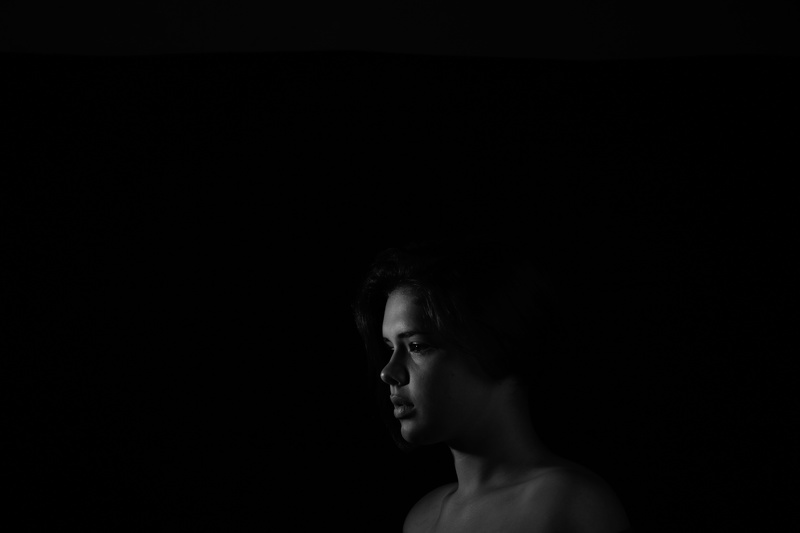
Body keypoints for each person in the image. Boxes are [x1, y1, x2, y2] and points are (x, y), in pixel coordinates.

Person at [352, 232, 632, 533]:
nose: (387, 372)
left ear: (497, 345)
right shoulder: (421, 519)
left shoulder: (571, 504)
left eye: (417, 346)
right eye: (390, 348)